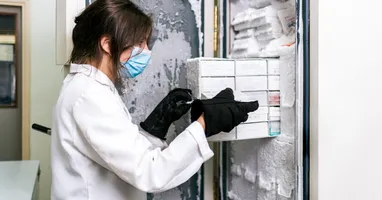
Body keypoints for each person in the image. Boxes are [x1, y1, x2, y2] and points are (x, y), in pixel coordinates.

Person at [51, 0, 259, 199]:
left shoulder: (89, 87)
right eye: (139, 43)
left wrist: (154, 129)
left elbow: (122, 155)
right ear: (107, 44)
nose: (146, 52)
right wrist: (204, 125)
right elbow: (150, 172)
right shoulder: (89, 96)